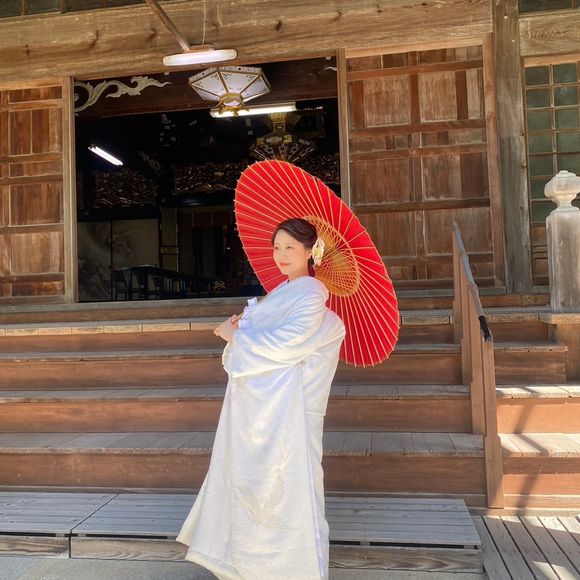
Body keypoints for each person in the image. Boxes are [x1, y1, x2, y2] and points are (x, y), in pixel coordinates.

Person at [176, 217, 346, 580]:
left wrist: (236, 337)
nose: (281, 255)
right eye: (277, 247)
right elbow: (272, 340)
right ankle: (246, 563)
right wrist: (243, 327)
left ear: (310, 252)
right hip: (263, 407)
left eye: (290, 248)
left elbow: (288, 345)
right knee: (253, 482)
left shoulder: (310, 295)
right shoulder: (283, 292)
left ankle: (290, 569)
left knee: (286, 485)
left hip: (286, 411)